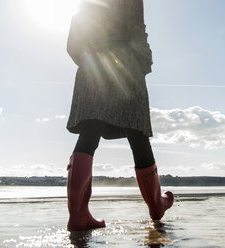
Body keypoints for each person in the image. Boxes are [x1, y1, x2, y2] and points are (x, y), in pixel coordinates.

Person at [65, 0, 174, 231]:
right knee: (138, 133)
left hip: (91, 64)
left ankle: (77, 214)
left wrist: (89, 58)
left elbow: (73, 43)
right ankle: (156, 206)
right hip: (125, 64)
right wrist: (143, 63)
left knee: (89, 131)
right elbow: (137, 31)